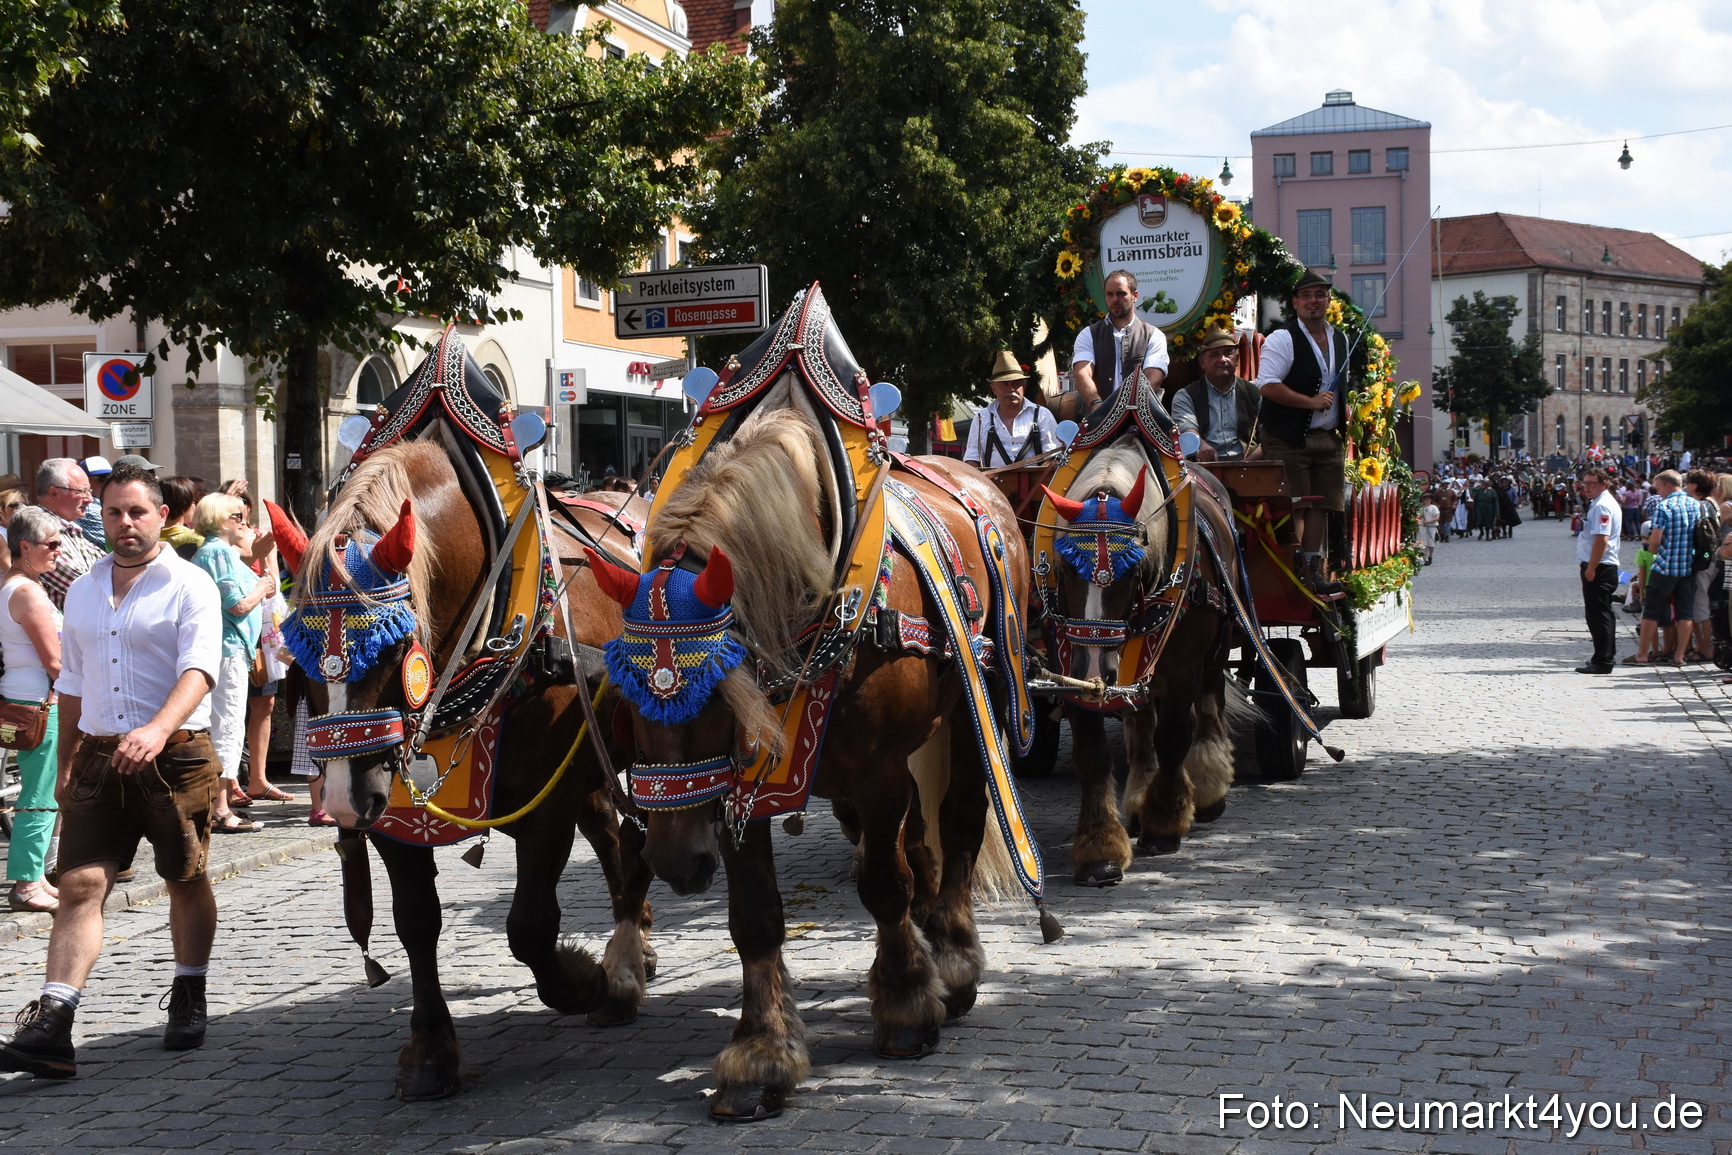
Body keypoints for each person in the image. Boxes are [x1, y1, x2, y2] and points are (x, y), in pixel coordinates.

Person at [0, 462, 223, 1078]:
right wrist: (66, 760)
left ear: (161, 516)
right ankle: (53, 1023)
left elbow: (200, 669)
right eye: (114, 512)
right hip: (99, 755)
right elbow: (72, 682)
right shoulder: (84, 589)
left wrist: (156, 729)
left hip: (174, 754)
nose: (125, 523)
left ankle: (189, 987)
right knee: (79, 884)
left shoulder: (190, 584)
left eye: (137, 511)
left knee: (184, 877)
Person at [1254, 270, 1347, 590]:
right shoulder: (1283, 338)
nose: (1313, 301)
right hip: (1287, 437)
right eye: (1306, 296)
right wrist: (1310, 403)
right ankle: (1293, 570)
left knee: (1322, 504)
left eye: (1320, 295)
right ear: (1295, 303)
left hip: (1327, 437)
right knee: (1297, 505)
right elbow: (1267, 385)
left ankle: (1313, 570)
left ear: (1328, 301)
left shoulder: (1340, 338)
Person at [190, 493, 274, 829]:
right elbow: (237, 604)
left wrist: (262, 565)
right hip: (228, 649)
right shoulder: (219, 552)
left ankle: (219, 804)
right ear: (218, 519)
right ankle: (221, 808)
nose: (242, 521)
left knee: (225, 724)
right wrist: (263, 585)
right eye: (236, 515)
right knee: (227, 725)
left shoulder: (216, 551)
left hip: (226, 647)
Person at [2, 507, 64, 910]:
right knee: (40, 791)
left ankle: (36, 873)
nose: (59, 550)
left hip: (24, 699)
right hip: (40, 702)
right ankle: (26, 882)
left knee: (41, 788)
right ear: (25, 547)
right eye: (52, 543)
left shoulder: (14, 585)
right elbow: (54, 661)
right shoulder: (26, 591)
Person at [1070, 269, 1169, 415]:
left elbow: (1153, 378)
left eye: (1121, 293)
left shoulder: (1153, 335)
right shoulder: (1088, 334)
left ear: (1135, 295)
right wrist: (1096, 404)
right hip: (1098, 419)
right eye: (1109, 294)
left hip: (1139, 419)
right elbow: (1082, 375)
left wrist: (1128, 411)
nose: (1115, 299)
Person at [1628, 470, 1698, 667]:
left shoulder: (1665, 506)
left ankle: (1642, 654)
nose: (1658, 492)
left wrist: (1651, 548)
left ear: (1668, 485)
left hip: (1665, 567)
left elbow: (1656, 540)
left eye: (1659, 488)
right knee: (1685, 612)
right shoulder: (1696, 504)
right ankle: (1679, 656)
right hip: (1689, 567)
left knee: (1651, 611)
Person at [1171, 328, 1261, 462]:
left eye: (1228, 353)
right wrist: (1200, 445)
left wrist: (1246, 465)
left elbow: (1269, 436)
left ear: (1237, 359)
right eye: (1214, 354)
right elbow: (1186, 428)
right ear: (1202, 362)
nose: (1222, 359)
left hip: (1251, 467)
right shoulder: (1185, 396)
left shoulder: (1255, 392)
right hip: (1202, 469)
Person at [963, 352, 1059, 469]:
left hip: (1036, 480)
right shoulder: (981, 418)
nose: (1011, 389)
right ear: (994, 388)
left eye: (1016, 384)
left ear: (1024, 387)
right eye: (1005, 384)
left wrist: (1040, 475)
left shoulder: (1042, 415)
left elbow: (1053, 456)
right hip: (991, 480)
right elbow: (972, 458)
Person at [33, 459, 105, 613]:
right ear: (54, 493)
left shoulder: (70, 529)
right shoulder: (38, 532)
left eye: (90, 491)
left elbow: (107, 564)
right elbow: (87, 586)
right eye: (82, 491)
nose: (90, 499)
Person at [1573, 469, 1621, 674]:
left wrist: (1591, 568)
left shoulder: (1602, 505)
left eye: (1592, 483)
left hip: (1600, 567)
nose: (1586, 487)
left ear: (1604, 484)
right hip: (1600, 565)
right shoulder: (1598, 502)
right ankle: (1604, 655)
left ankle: (1603, 661)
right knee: (1602, 613)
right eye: (1584, 483)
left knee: (1598, 615)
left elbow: (1601, 539)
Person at [1683, 470, 1718, 663]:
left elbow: (1699, 535)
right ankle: (1701, 646)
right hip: (1711, 559)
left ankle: (1706, 649)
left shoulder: (1700, 506)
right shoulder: (1711, 503)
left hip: (1704, 561)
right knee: (1700, 604)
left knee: (1700, 605)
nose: (1686, 486)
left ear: (1695, 486)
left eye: (1688, 483)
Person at [158, 476, 206, 560]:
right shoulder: (197, 540)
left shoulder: (149, 539)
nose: (195, 505)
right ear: (186, 503)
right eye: (194, 500)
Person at [1417, 492, 1439, 565]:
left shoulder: (1434, 507)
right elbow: (1418, 517)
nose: (1427, 500)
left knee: (1431, 544)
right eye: (1425, 499)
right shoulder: (1421, 508)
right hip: (1423, 527)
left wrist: (1429, 521)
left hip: (1431, 527)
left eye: (1428, 499)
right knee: (1424, 544)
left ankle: (1430, 555)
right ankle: (1425, 559)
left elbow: (1437, 517)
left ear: (1431, 500)